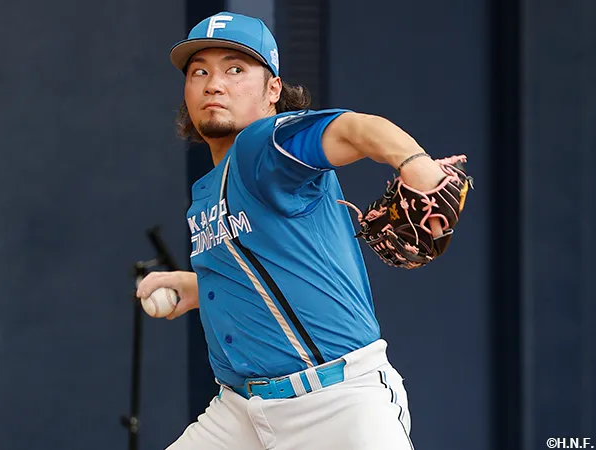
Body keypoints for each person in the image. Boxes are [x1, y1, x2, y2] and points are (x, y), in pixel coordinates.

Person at [138, 11, 450, 450]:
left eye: (235, 69)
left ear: (273, 90)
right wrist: (199, 288)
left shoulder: (265, 144)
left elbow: (354, 129)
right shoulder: (207, 190)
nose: (214, 84)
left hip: (336, 404)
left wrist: (414, 161)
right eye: (199, 72)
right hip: (240, 413)